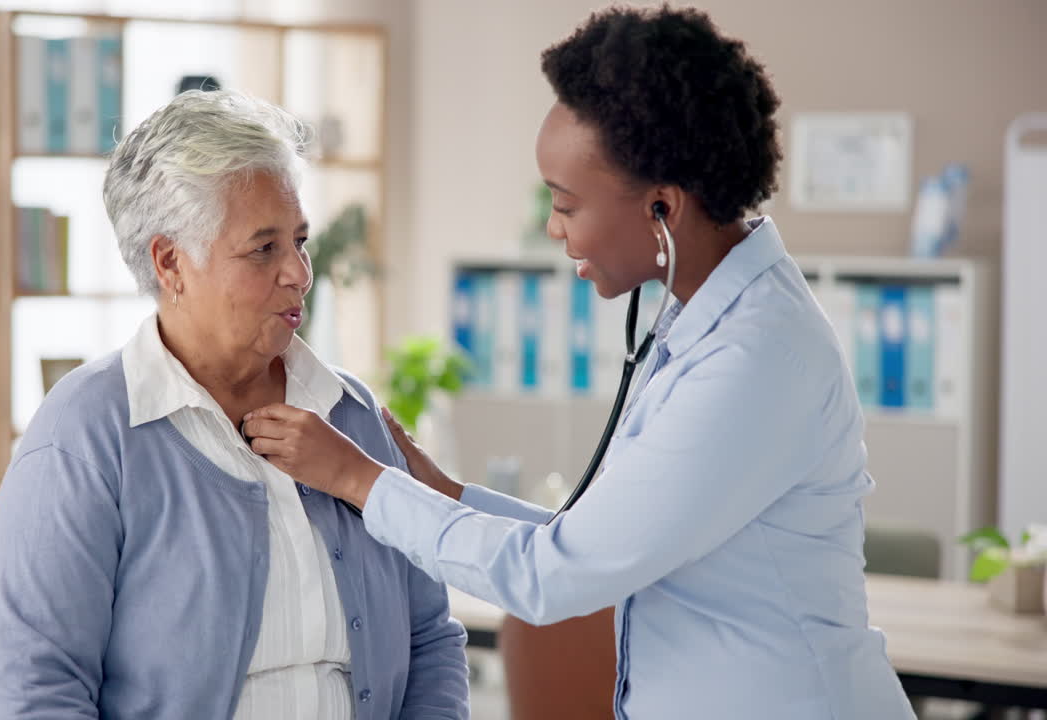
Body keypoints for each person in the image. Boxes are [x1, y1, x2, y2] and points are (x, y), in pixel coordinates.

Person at [240, 6, 916, 719]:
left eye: (565, 204)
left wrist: (356, 478)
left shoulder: (753, 363)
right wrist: (444, 490)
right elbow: (601, 542)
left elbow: (555, 577)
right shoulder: (707, 319)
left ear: (664, 209)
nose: (552, 227)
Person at [0, 90, 469, 720]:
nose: (299, 272)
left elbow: (431, 636)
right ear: (171, 262)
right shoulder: (85, 436)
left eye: (301, 241)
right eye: (264, 249)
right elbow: (30, 692)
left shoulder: (350, 411)